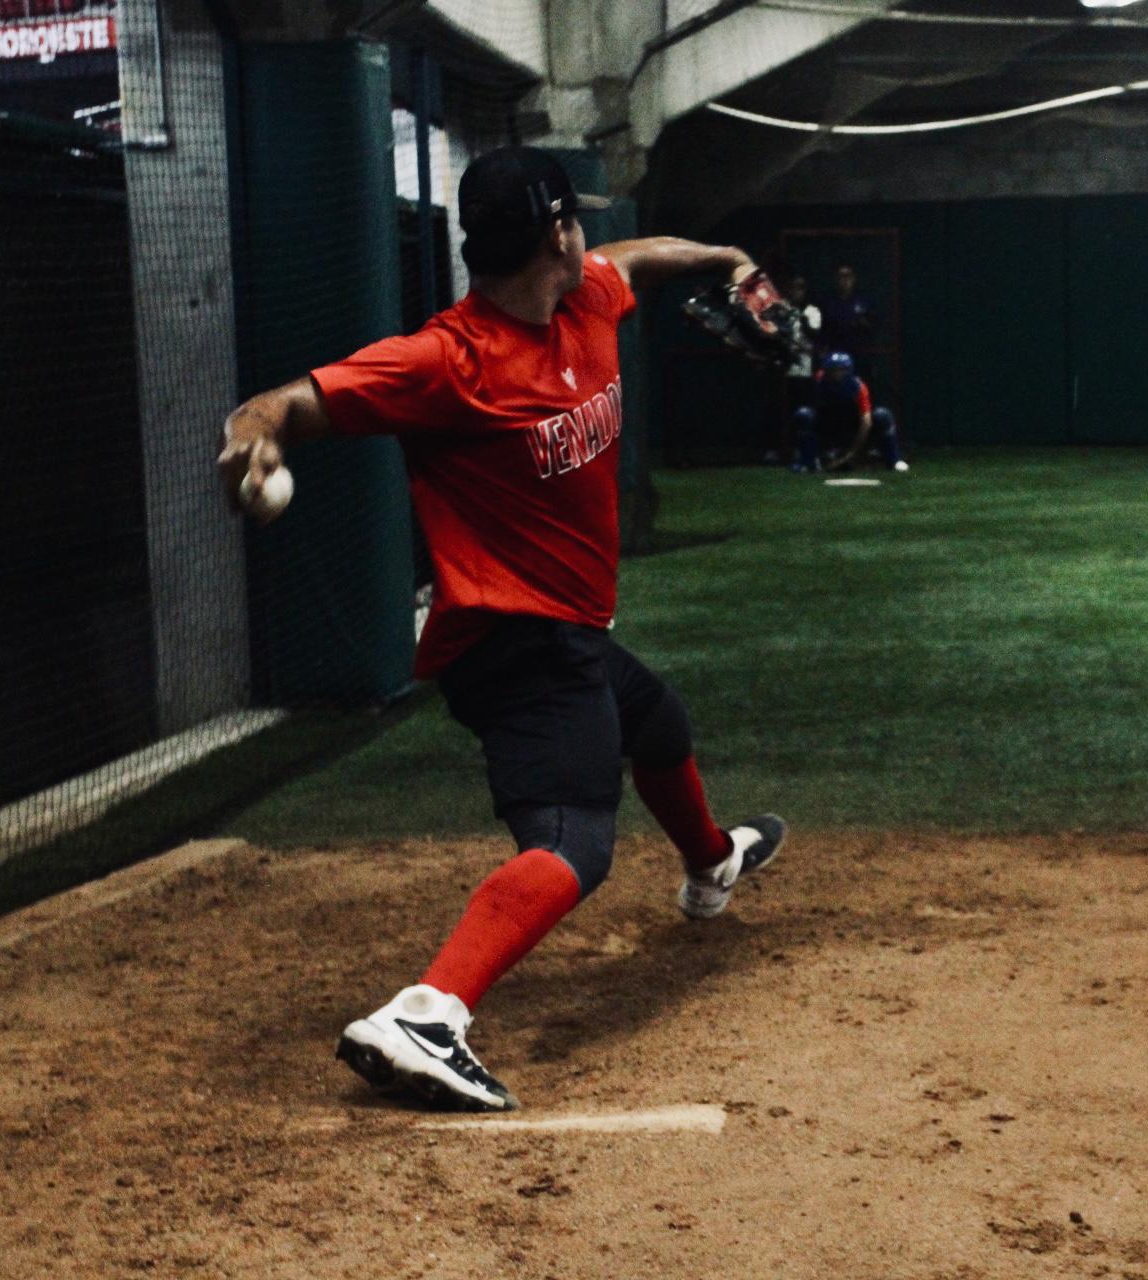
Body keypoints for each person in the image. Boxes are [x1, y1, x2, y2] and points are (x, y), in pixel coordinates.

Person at [216, 146, 787, 1113]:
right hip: (508, 642)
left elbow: (640, 257)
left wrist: (726, 258)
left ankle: (710, 862)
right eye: (577, 222)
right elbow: (287, 404)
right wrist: (253, 434)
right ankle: (428, 1014)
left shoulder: (588, 297)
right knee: (574, 841)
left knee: (657, 722)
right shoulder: (449, 360)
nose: (590, 238)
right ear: (556, 234)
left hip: (568, 632)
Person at [792, 350, 906, 473]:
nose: (837, 373)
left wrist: (852, 451)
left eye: (841, 369)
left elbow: (866, 422)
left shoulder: (858, 386)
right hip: (827, 422)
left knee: (883, 415)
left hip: (852, 424)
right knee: (803, 414)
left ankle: (894, 460)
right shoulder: (819, 380)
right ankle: (807, 461)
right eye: (833, 370)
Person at [773, 274, 824, 464]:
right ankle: (783, 449)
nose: (797, 292)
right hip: (785, 364)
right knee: (783, 409)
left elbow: (813, 332)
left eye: (801, 288)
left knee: (805, 408)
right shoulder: (782, 308)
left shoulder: (811, 310)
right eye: (794, 287)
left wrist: (800, 317)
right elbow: (775, 332)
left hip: (805, 366)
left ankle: (807, 449)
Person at [817, 264, 877, 369]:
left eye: (848, 276)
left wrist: (861, 322)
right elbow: (823, 328)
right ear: (836, 279)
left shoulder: (863, 301)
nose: (845, 280)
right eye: (841, 276)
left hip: (858, 353)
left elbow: (874, 325)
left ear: (854, 279)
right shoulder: (828, 302)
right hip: (834, 352)